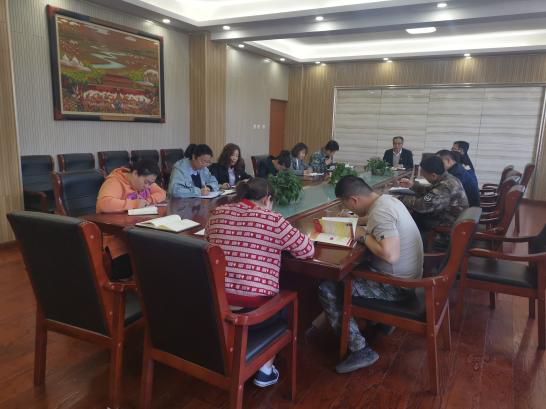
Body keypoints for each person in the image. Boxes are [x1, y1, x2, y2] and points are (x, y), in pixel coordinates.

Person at [206, 177, 315, 387]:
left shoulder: (217, 213)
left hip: (216, 305)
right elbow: (307, 250)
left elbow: (208, 242)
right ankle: (265, 370)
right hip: (252, 313)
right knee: (288, 301)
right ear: (267, 199)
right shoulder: (273, 219)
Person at [317, 175, 423, 374]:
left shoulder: (381, 212)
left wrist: (362, 235)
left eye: (345, 205)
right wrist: (350, 220)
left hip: (397, 288)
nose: (347, 208)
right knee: (356, 266)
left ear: (354, 200)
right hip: (409, 278)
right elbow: (370, 219)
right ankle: (381, 322)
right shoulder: (386, 201)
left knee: (328, 287)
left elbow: (390, 255)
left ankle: (360, 350)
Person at [96, 160, 166, 279]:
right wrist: (134, 204)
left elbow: (162, 192)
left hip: (139, 232)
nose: (147, 186)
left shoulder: (145, 179)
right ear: (135, 173)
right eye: (146, 182)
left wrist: (148, 200)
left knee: (163, 253)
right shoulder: (115, 181)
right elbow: (103, 204)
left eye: (150, 184)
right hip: (118, 238)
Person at [399, 155, 469, 234]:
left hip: (448, 225)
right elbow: (431, 187)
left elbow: (421, 206)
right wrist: (412, 185)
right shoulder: (446, 177)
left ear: (433, 175)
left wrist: (402, 197)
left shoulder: (445, 187)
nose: (423, 177)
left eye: (424, 176)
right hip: (446, 216)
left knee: (409, 218)